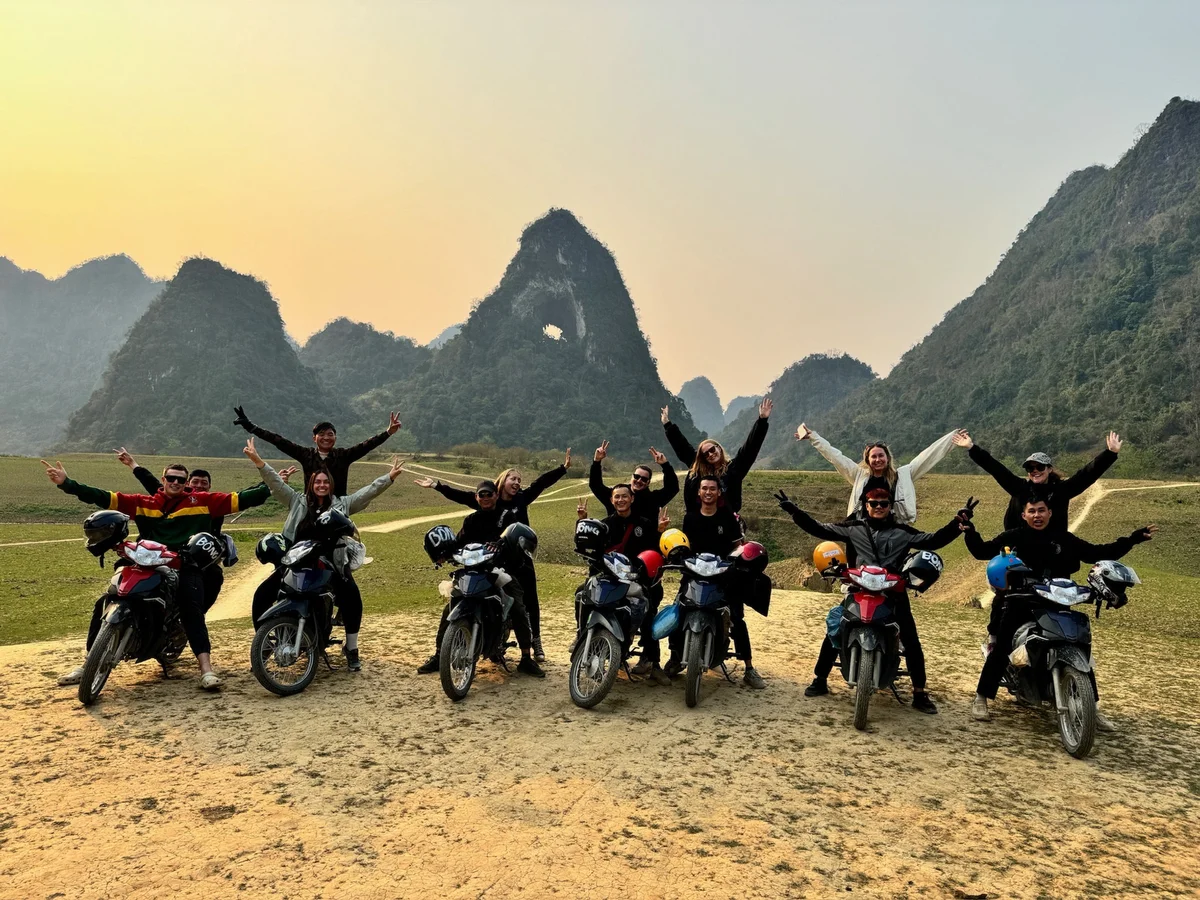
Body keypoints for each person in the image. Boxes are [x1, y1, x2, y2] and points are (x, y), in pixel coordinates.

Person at [44, 458, 270, 690]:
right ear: (162, 480)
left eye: (180, 479)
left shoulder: (203, 501)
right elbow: (103, 497)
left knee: (192, 610)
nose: (175, 482)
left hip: (184, 564)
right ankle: (88, 663)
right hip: (144, 561)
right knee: (107, 599)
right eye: (170, 478)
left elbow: (244, 499)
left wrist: (272, 481)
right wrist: (66, 483)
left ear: (185, 483)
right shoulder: (144, 503)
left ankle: (206, 669)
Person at [961, 494, 1156, 724]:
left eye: (1041, 510)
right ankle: (981, 697)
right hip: (1021, 600)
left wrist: (1132, 539)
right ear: (1023, 515)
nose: (1037, 515)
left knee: (1079, 644)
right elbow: (982, 551)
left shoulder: (1064, 539)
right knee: (1003, 645)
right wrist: (969, 530)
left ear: (1050, 513)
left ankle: (1091, 708)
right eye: (1032, 511)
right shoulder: (1014, 537)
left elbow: (1097, 552)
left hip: (1057, 601)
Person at [777, 485, 969, 713]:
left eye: (884, 503)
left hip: (893, 593)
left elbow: (934, 540)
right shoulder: (853, 528)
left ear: (890, 506)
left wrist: (957, 524)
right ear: (866, 506)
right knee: (835, 631)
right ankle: (820, 679)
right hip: (858, 589)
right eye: (874, 503)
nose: (879, 507)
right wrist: (794, 511)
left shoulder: (904, 532)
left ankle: (919, 693)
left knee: (911, 640)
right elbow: (820, 530)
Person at [243, 438, 402, 672]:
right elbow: (276, 483)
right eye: (317, 481)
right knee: (263, 593)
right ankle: (265, 643)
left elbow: (366, 493)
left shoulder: (342, 505)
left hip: (330, 563)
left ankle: (352, 647)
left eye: (326, 482)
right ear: (310, 483)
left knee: (351, 597)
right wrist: (259, 462)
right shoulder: (297, 501)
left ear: (331, 485)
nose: (321, 485)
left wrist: (388, 478)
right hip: (297, 560)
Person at [415, 450, 572, 661]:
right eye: (512, 478)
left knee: (524, 603)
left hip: (516, 559)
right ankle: (439, 655)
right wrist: (437, 486)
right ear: (500, 484)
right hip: (484, 565)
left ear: (495, 495)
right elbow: (461, 503)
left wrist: (562, 469)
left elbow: (541, 484)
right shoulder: (478, 511)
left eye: (519, 479)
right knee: (453, 602)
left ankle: (531, 648)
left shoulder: (517, 504)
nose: (516, 482)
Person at [113, 447, 296, 613]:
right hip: (162, 553)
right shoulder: (175, 498)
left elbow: (247, 495)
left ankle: (198, 613)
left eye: (204, 483)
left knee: (214, 577)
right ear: (187, 485)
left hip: (200, 558)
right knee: (122, 567)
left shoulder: (212, 503)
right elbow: (150, 482)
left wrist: (274, 481)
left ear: (209, 486)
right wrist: (133, 464)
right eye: (195, 483)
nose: (199, 486)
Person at [416, 480, 545, 678]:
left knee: (518, 607)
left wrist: (501, 544)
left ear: (495, 495)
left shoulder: (506, 516)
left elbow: (511, 537)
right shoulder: (471, 520)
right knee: (449, 608)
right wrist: (445, 553)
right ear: (476, 498)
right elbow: (458, 542)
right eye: (481, 495)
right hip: (473, 571)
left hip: (500, 571)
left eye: (489, 494)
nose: (485, 498)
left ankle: (526, 657)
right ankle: (439, 655)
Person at [663, 475, 765, 689]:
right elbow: (685, 547)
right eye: (704, 489)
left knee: (737, 617)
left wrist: (738, 564)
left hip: (723, 576)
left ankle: (749, 667)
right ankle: (675, 657)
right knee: (678, 610)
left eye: (712, 489)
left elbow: (738, 546)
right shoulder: (690, 518)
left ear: (719, 493)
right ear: (699, 493)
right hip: (694, 573)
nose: (708, 492)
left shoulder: (728, 517)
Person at [577, 488, 672, 685]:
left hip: (635, 580)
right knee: (581, 595)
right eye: (617, 497)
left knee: (648, 610)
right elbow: (592, 550)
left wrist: (660, 532)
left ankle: (653, 663)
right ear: (611, 500)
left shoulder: (644, 524)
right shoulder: (605, 525)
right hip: (609, 577)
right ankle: (582, 635)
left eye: (624, 496)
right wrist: (582, 521)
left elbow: (654, 551)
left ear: (632, 499)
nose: (621, 500)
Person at [952, 430, 1121, 532]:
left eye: (1040, 467)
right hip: (1019, 549)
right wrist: (971, 448)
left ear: (1049, 469)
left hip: (1053, 551)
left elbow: (1087, 474)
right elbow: (995, 468)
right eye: (1030, 468)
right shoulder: (1019, 488)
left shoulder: (1062, 490)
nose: (1035, 471)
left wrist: (1110, 454)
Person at [795, 423, 963, 524]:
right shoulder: (859, 475)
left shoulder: (903, 475)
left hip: (895, 530)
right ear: (868, 460)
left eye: (881, 455)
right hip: (862, 530)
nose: (877, 460)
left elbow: (928, 456)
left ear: (887, 458)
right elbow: (836, 457)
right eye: (873, 457)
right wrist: (813, 437)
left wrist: (952, 438)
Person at [233, 406, 402, 496]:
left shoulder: (344, 456)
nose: (326, 438)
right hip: (311, 508)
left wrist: (388, 433)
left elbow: (367, 445)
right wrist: (251, 427)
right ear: (314, 438)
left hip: (339, 509)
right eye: (321, 434)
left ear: (335, 437)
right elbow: (279, 441)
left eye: (330, 434)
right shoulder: (306, 455)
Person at [662, 397, 772, 514]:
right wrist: (667, 424)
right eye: (705, 454)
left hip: (726, 521)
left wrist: (762, 420)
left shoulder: (734, 469)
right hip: (697, 521)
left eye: (712, 449)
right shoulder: (697, 467)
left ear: (719, 448)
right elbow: (681, 445)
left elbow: (750, 448)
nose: (710, 454)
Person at [589, 440, 679, 518]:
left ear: (648, 482)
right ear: (632, 477)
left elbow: (672, 488)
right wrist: (597, 461)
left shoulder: (653, 500)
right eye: (636, 477)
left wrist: (665, 465)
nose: (639, 480)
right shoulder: (617, 496)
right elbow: (595, 485)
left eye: (644, 479)